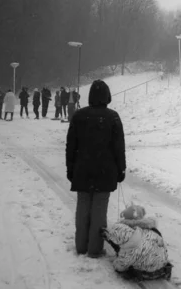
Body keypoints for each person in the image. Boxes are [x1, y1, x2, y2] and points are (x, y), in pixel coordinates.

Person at [66, 79, 126, 258]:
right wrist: (121, 169)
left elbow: (71, 146)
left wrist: (70, 168)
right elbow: (118, 147)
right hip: (105, 171)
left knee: (83, 207)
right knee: (99, 210)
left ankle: (81, 246)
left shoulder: (78, 116)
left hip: (81, 170)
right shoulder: (113, 117)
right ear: (107, 96)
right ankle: (94, 248)